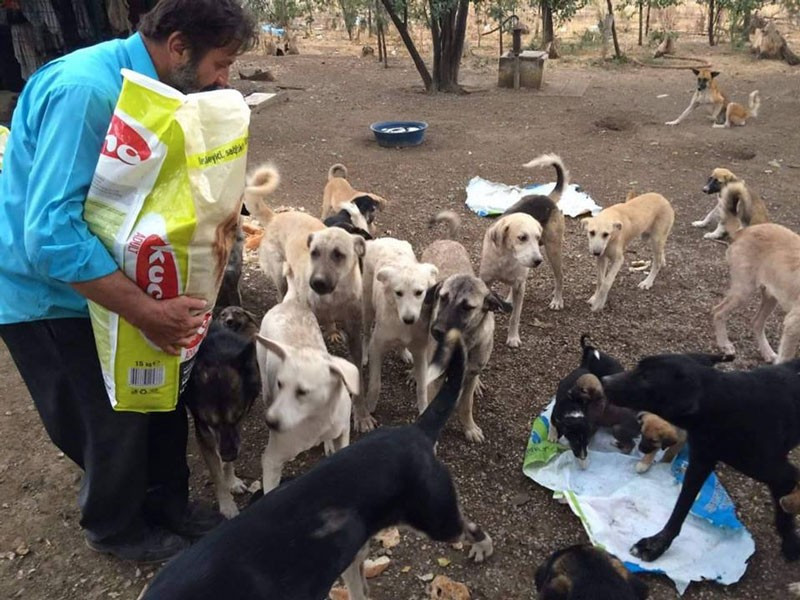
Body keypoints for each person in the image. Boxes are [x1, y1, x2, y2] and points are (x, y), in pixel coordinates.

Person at [0, 0, 257, 562]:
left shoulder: (159, 95)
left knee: (160, 398)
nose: (225, 79)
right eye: (222, 62)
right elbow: (50, 234)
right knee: (108, 419)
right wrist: (144, 309)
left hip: (121, 279)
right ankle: (116, 527)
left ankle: (169, 505)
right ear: (179, 46)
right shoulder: (87, 92)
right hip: (51, 295)